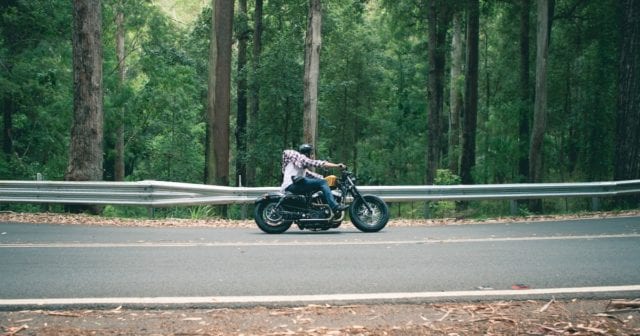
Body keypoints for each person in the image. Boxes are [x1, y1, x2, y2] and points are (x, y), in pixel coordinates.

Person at [280, 144, 349, 212]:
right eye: (311, 153)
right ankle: (334, 206)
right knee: (322, 183)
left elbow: (314, 175)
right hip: (291, 185)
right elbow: (316, 163)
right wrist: (337, 166)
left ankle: (317, 211)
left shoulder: (301, 167)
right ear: (307, 153)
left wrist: (330, 179)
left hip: (294, 185)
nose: (312, 156)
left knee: (320, 183)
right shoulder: (301, 158)